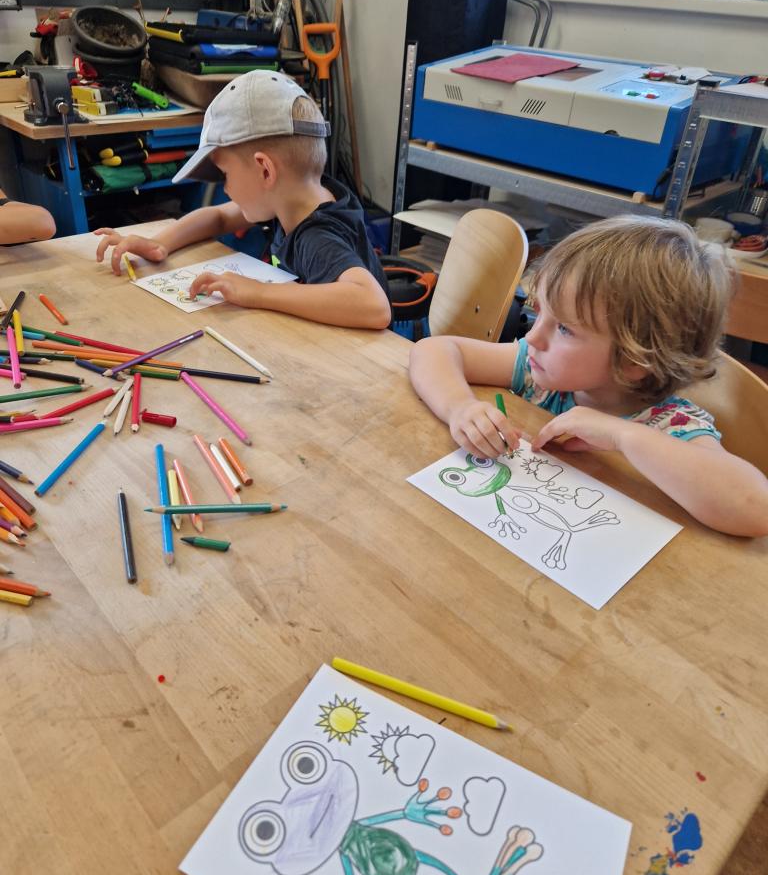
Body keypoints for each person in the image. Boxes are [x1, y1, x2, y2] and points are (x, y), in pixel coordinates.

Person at [409, 216, 768, 538]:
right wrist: (460, 407)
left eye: (564, 328)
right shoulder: (537, 374)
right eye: (539, 312)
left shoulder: (672, 425)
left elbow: (756, 508)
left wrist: (623, 436)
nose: (532, 337)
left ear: (634, 360)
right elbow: (434, 350)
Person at [93, 72, 391, 330]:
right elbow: (219, 217)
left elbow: (374, 305)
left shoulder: (316, 236)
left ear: (265, 171)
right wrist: (159, 244)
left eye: (224, 174)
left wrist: (257, 292)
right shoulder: (292, 197)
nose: (225, 188)